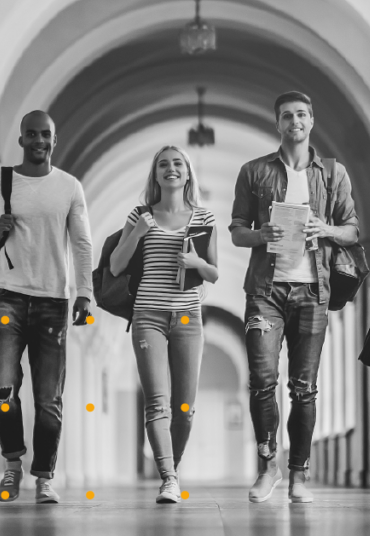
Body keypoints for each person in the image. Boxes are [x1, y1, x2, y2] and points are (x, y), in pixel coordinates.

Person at [0, 110, 94, 504]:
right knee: (4, 385)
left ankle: (45, 476)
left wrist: (85, 292)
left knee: (49, 397)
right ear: (21, 140)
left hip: (53, 300)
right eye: (31, 134)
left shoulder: (69, 186)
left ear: (55, 139)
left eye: (45, 134)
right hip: (8, 297)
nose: (39, 140)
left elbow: (82, 244)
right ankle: (12, 465)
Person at [229, 91, 360, 504]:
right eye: (287, 116)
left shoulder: (333, 174)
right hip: (265, 291)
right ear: (278, 124)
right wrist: (260, 235)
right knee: (262, 382)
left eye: (302, 114)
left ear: (311, 121)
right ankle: (268, 466)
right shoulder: (254, 172)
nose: (295, 121)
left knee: (304, 388)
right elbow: (235, 230)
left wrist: (327, 230)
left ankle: (298, 475)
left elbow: (353, 230)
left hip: (313, 290)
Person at [109, 145, 219, 504]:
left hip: (188, 318)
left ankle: (174, 464)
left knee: (184, 409)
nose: (171, 169)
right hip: (148, 317)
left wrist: (195, 262)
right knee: (158, 403)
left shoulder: (205, 218)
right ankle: (169, 477)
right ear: (155, 175)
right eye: (163, 165)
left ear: (188, 173)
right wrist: (138, 233)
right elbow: (115, 266)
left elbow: (214, 273)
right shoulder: (140, 215)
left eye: (177, 164)